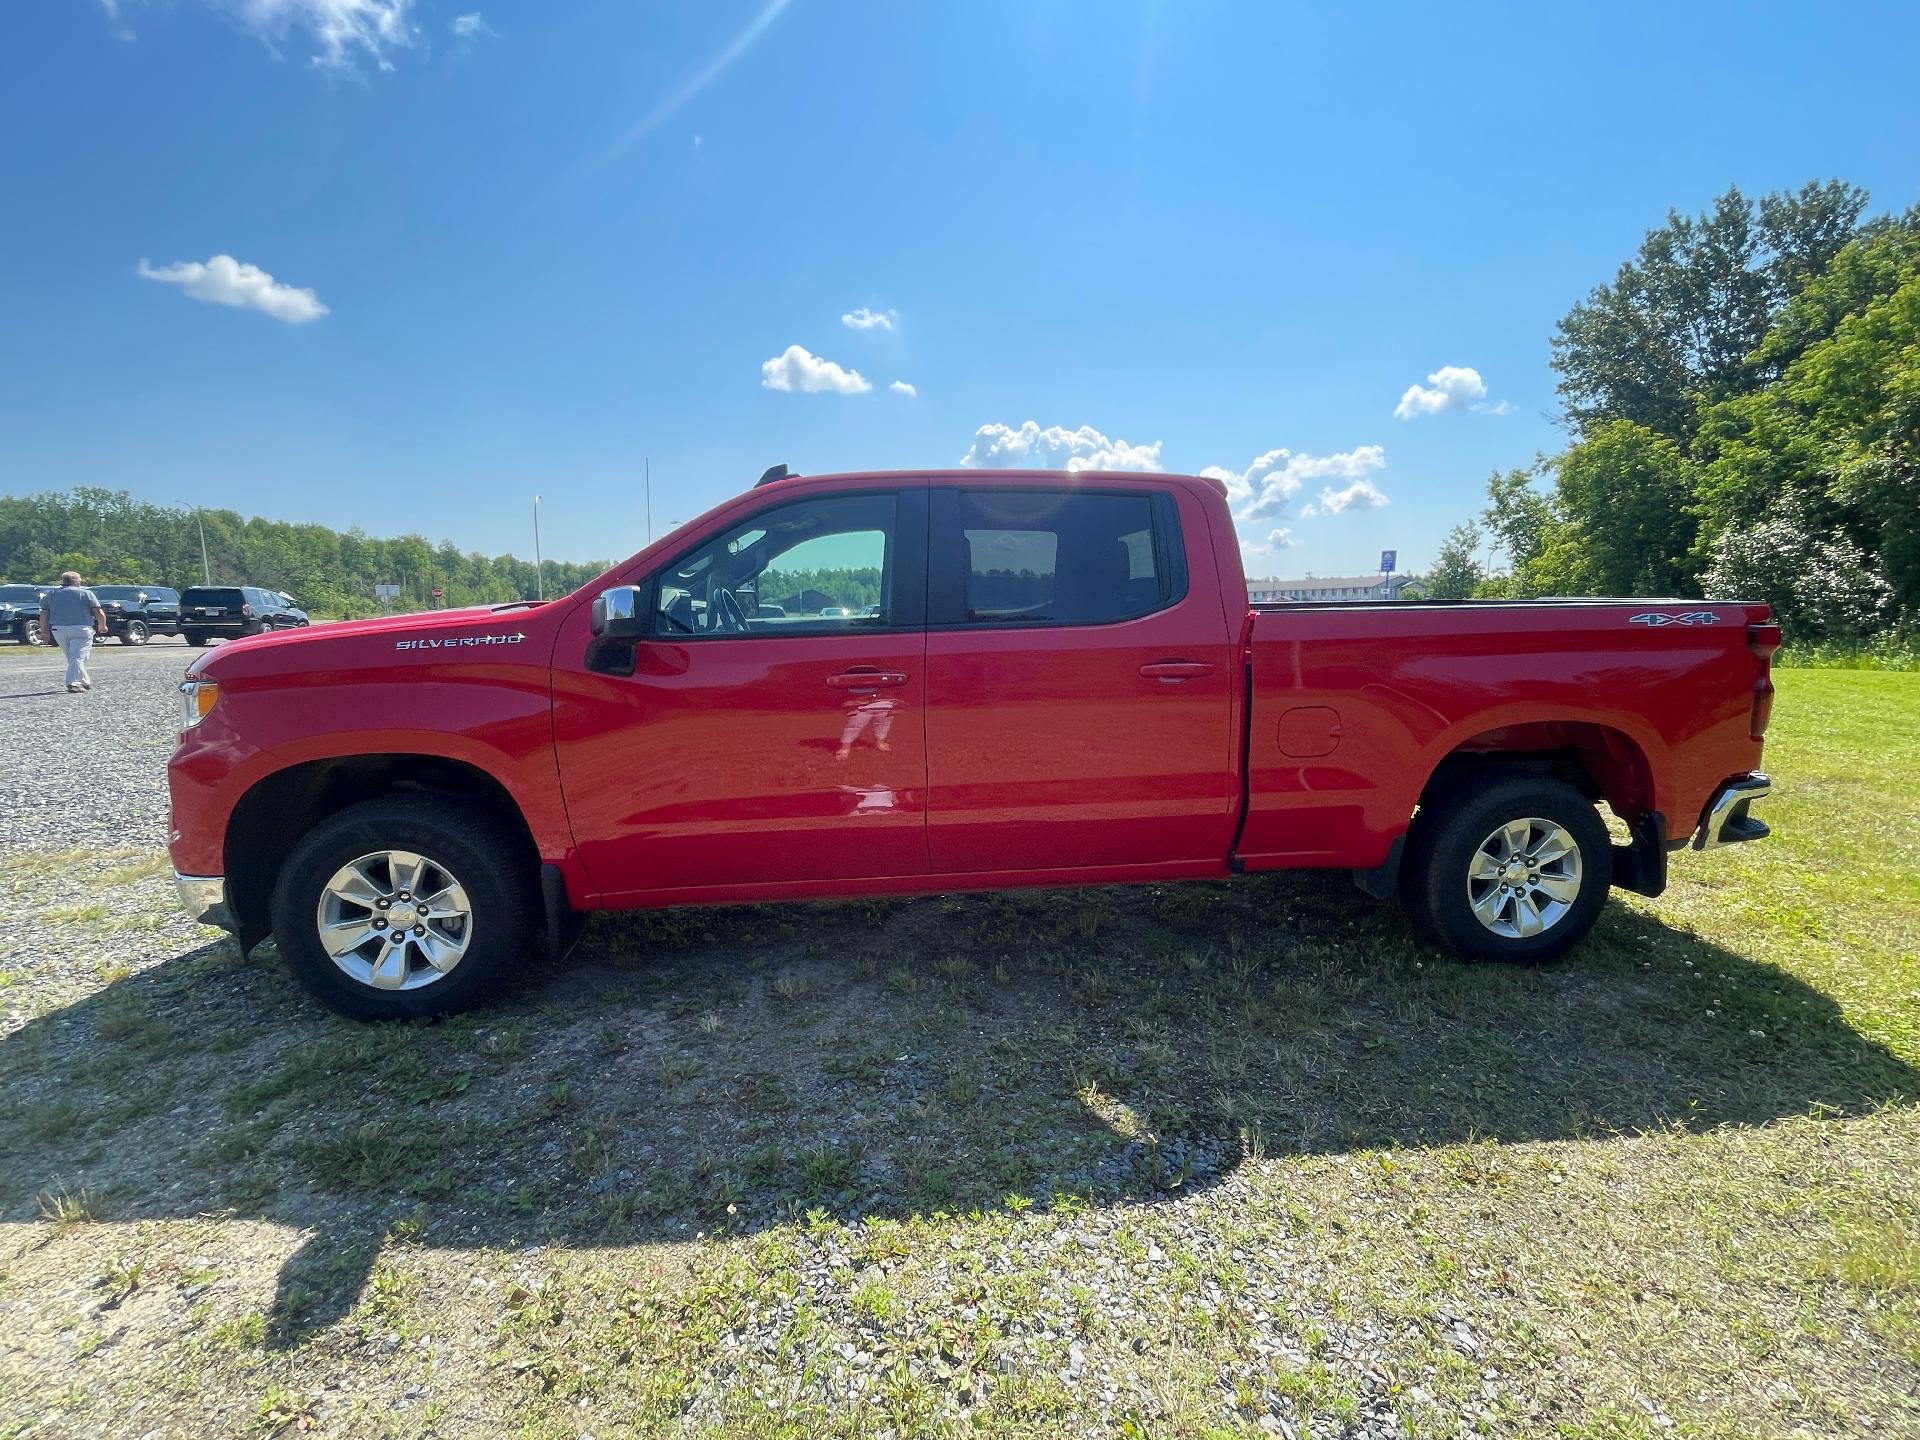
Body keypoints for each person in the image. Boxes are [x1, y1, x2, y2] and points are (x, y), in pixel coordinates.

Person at [41, 572, 107, 693]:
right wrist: (102, 625)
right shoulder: (85, 593)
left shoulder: (51, 594)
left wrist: (44, 631)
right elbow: (98, 611)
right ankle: (73, 683)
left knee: (72, 657)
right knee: (78, 657)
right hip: (81, 628)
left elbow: (44, 613)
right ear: (77, 581)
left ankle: (85, 680)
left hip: (58, 629)